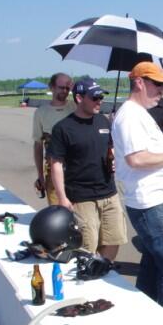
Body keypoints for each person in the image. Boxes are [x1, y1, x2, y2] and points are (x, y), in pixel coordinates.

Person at [112, 62, 163, 318]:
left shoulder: (136, 114)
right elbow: (136, 159)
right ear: (140, 82)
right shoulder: (131, 115)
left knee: (154, 265)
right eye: (157, 85)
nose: (161, 91)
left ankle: (144, 318)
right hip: (153, 203)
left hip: (153, 201)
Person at [48, 77, 127, 262]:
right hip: (82, 198)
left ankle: (102, 270)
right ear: (79, 98)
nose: (99, 101)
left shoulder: (104, 122)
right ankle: (86, 277)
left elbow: (111, 149)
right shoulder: (63, 128)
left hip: (109, 193)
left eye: (101, 97)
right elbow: (56, 164)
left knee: (114, 239)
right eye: (94, 97)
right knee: (86, 246)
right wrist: (62, 197)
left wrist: (114, 159)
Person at [32, 73, 73, 204]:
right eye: (61, 87)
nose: (65, 91)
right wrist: (40, 175)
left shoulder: (76, 107)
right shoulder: (41, 112)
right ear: (52, 87)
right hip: (54, 171)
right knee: (57, 211)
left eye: (67, 88)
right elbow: (38, 145)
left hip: (77, 170)